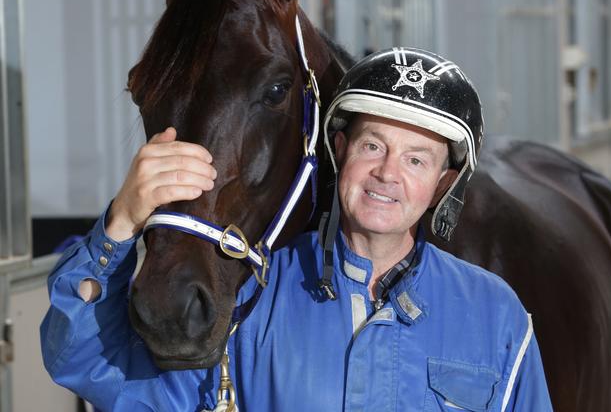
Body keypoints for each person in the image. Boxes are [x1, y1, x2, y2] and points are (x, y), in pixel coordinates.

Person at [41, 48, 552, 411]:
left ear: (444, 183)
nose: (387, 173)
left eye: (416, 160)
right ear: (340, 150)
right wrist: (121, 225)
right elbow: (101, 371)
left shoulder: (495, 315)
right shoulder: (250, 293)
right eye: (373, 146)